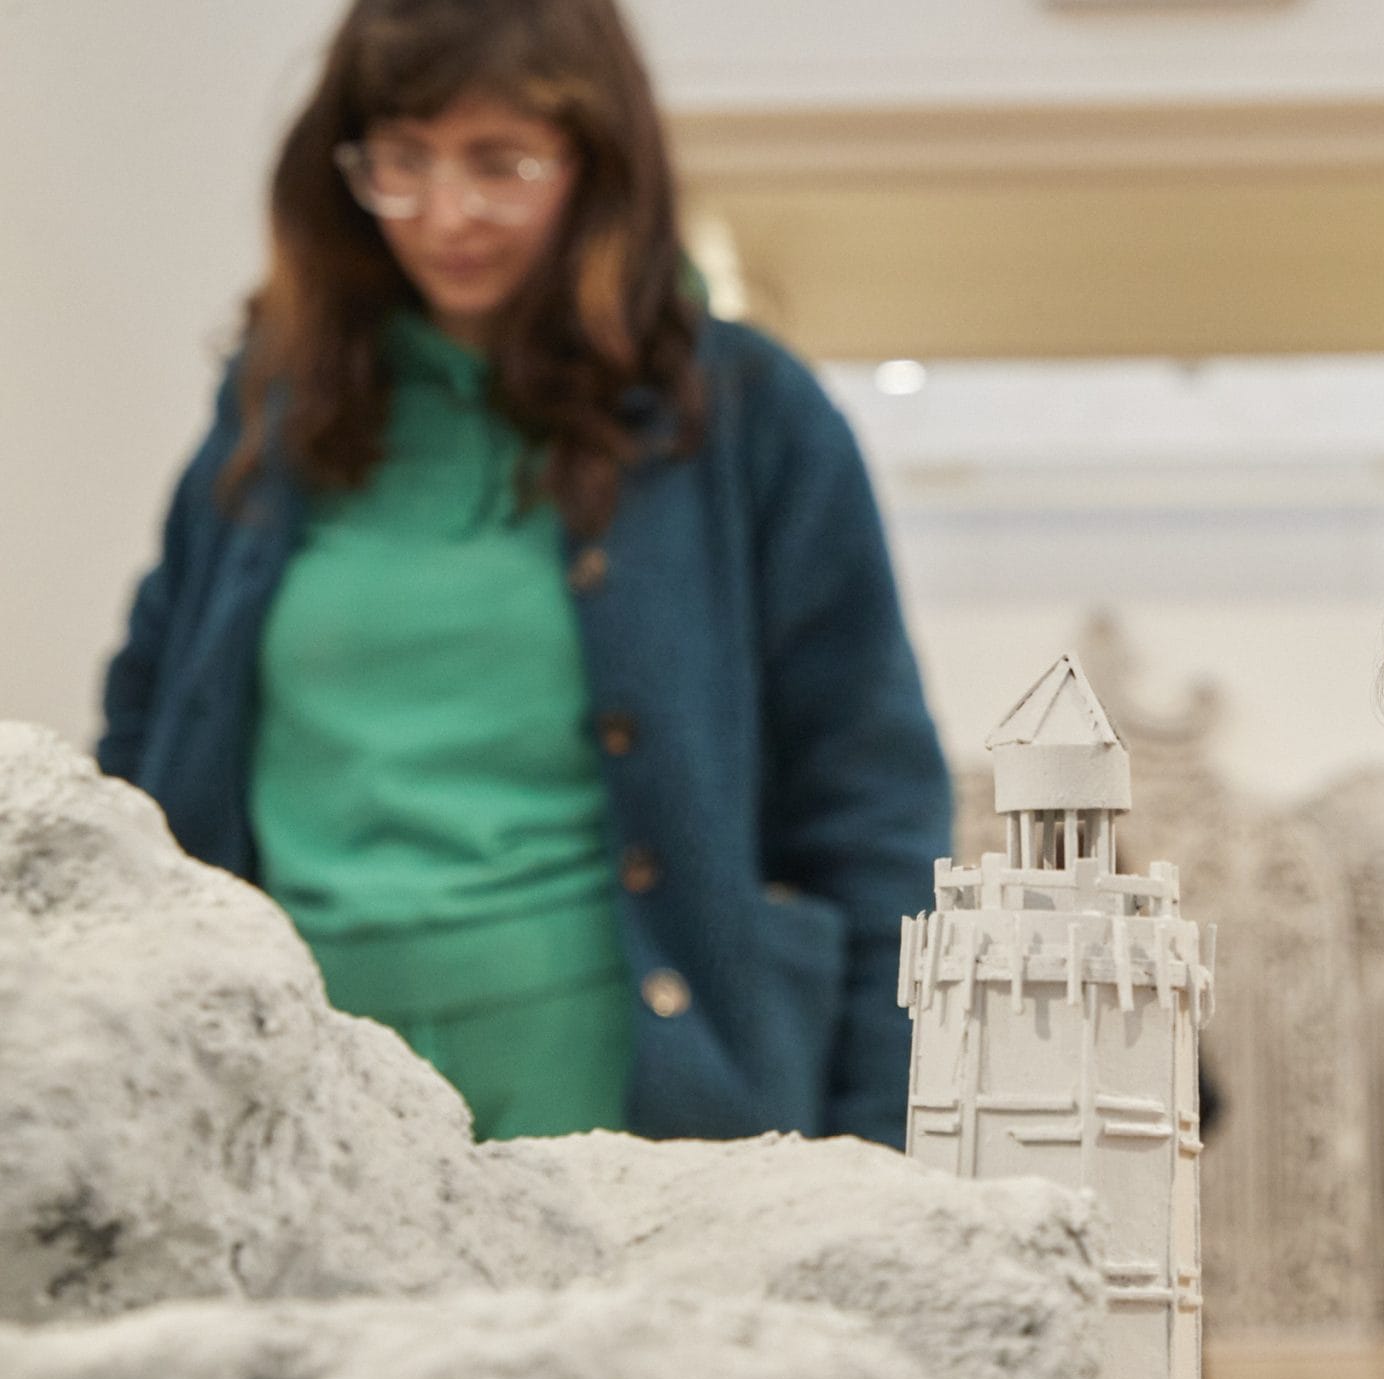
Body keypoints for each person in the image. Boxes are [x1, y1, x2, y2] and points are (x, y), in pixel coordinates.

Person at [98, 0, 948, 1148]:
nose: (446, 214)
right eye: (402, 161)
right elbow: (143, 737)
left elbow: (870, 803)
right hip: (289, 1080)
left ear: (598, 166)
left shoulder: (749, 416)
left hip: (621, 1082)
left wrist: (887, 1143)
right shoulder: (269, 416)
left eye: (500, 163)